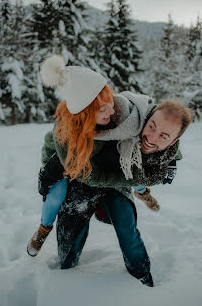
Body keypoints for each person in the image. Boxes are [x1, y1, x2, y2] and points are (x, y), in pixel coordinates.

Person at [27, 55, 194, 287]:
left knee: (126, 222)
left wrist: (174, 158)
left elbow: (164, 128)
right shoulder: (69, 137)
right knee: (70, 220)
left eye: (110, 102)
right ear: (83, 115)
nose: (111, 109)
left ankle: (141, 274)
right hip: (74, 172)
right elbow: (88, 175)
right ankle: (57, 255)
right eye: (102, 109)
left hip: (116, 173)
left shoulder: (127, 114)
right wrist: (51, 168)